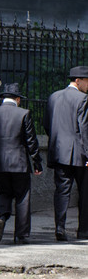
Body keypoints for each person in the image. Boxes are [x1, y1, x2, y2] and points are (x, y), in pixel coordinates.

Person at [0, 83, 43, 244]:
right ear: (17, 99)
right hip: (20, 164)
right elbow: (31, 141)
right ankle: (21, 235)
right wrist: (37, 162)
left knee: (3, 192)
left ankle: (2, 216)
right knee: (22, 197)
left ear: (3, 98)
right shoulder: (24, 114)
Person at [44, 66, 88, 242]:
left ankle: (60, 227)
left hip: (59, 152)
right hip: (80, 154)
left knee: (62, 191)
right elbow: (84, 129)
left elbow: (47, 124)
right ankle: (84, 231)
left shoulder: (53, 96)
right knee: (85, 193)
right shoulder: (83, 99)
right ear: (78, 81)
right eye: (87, 81)